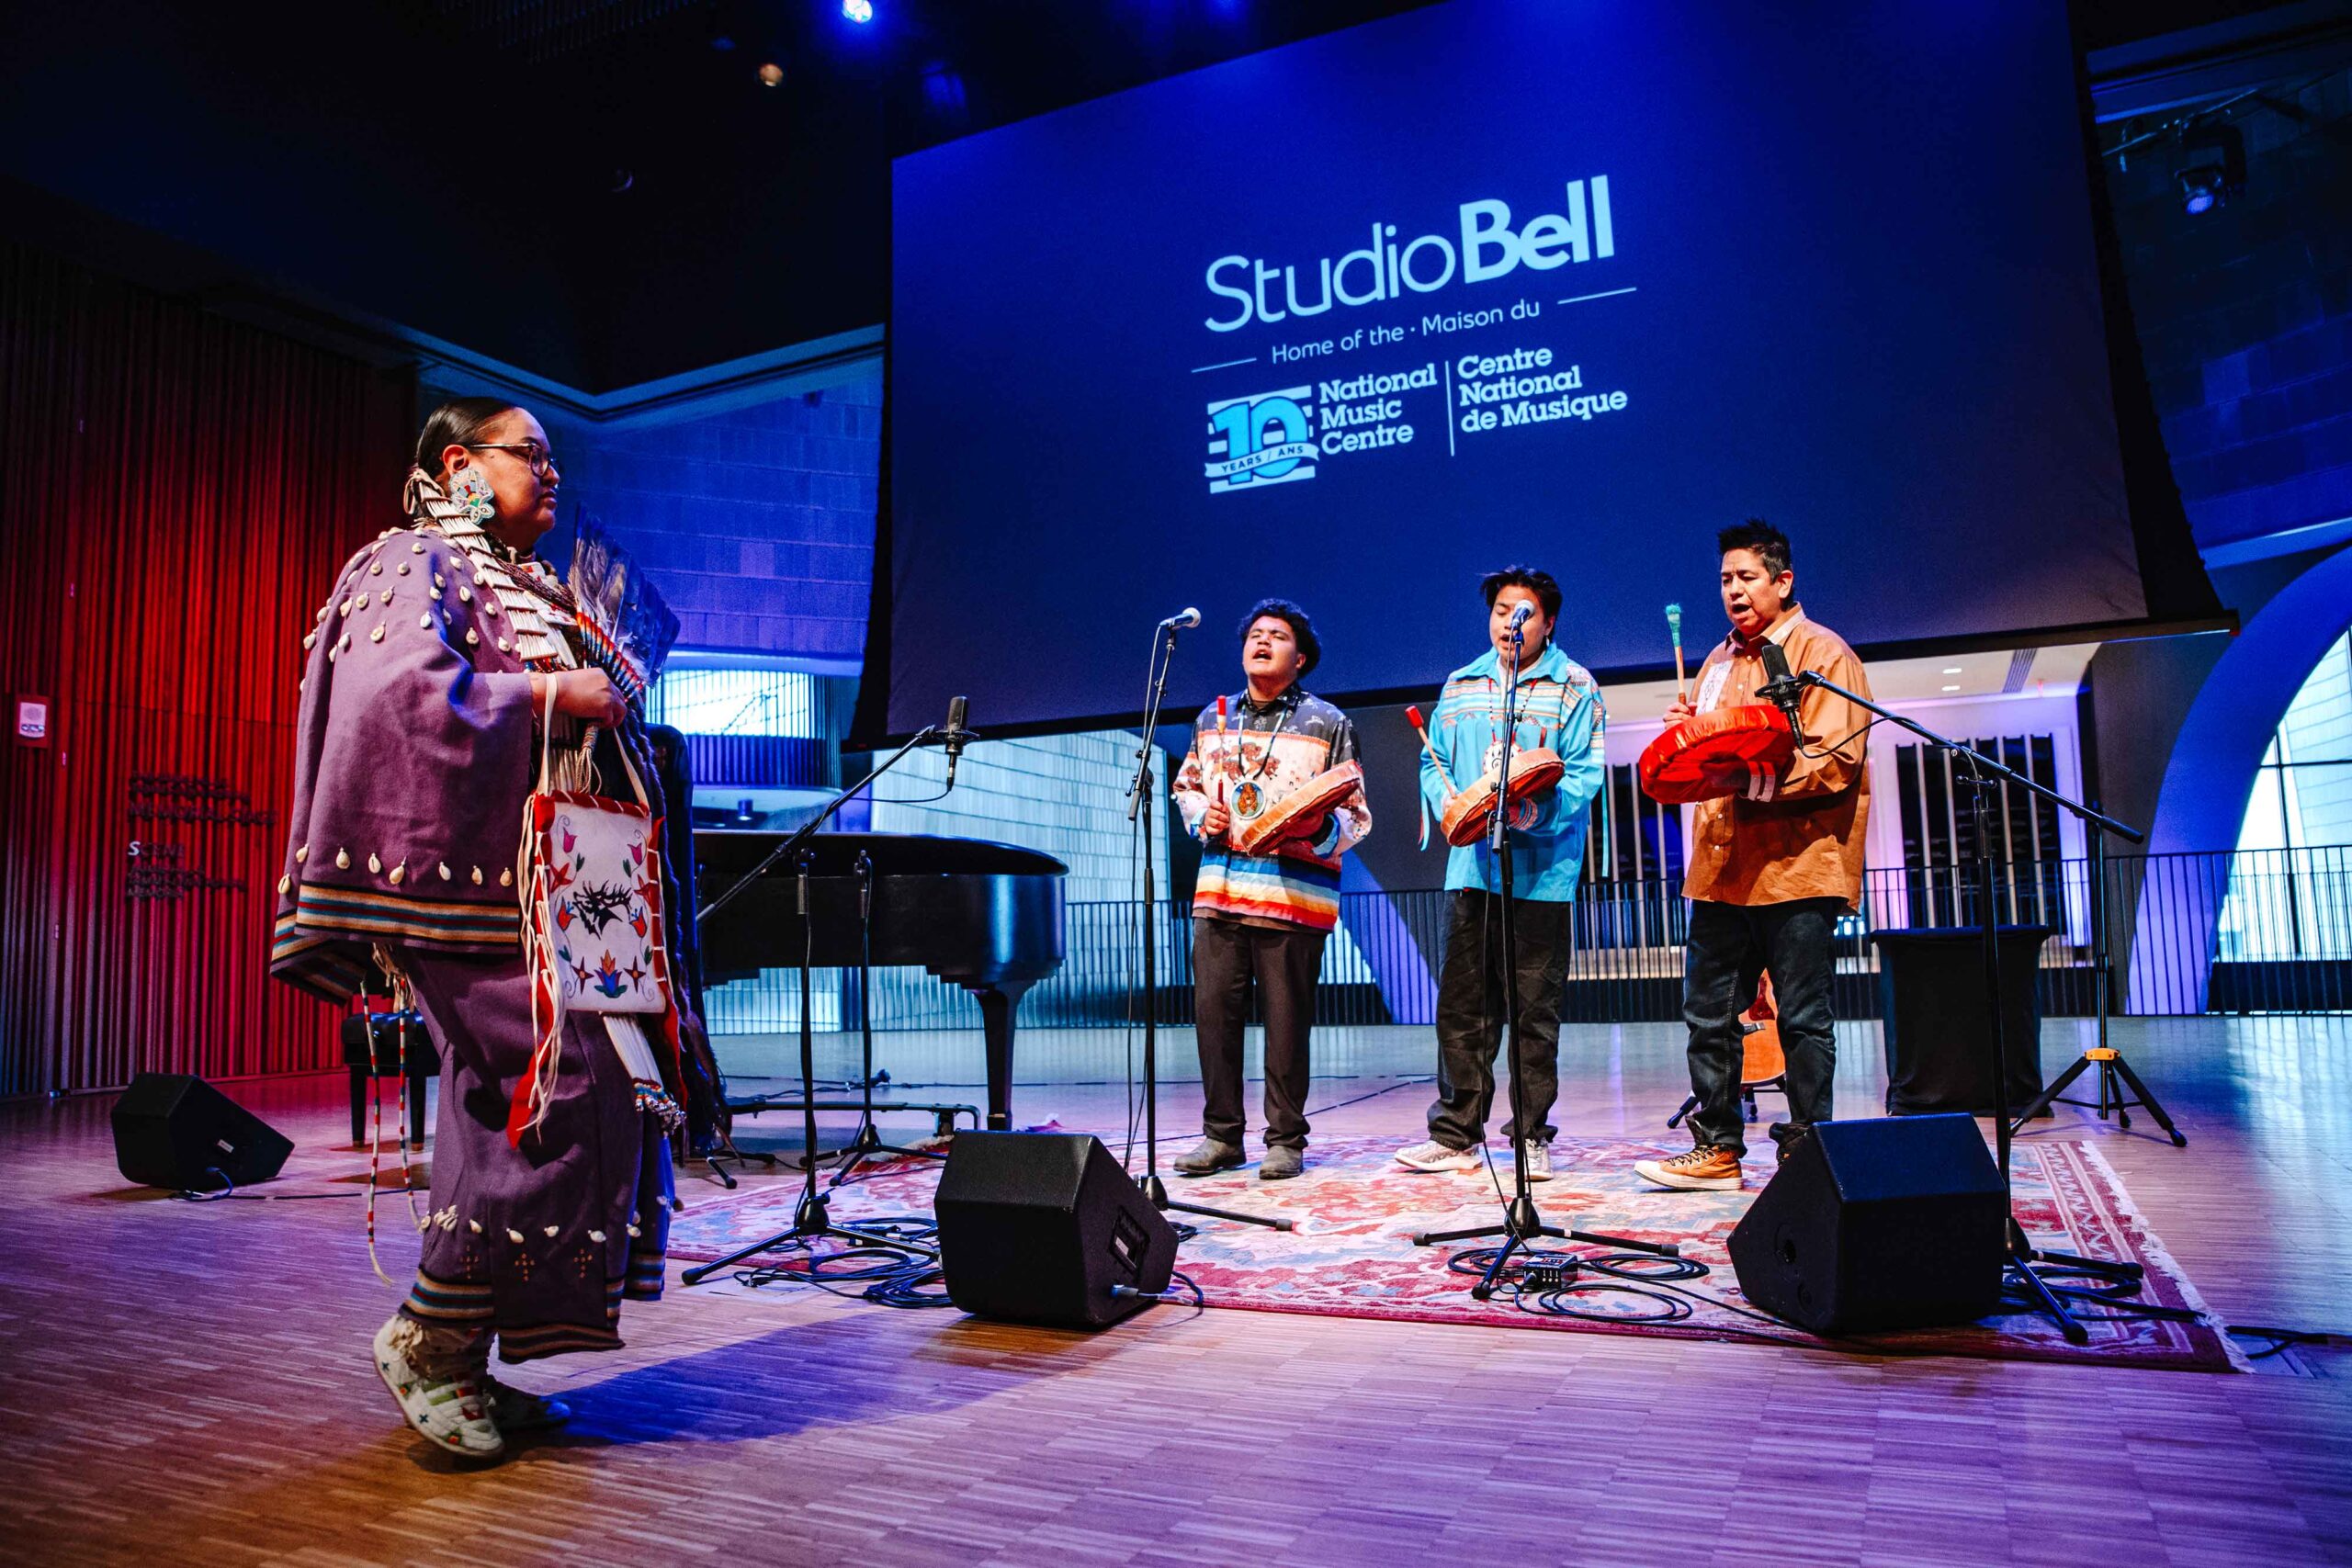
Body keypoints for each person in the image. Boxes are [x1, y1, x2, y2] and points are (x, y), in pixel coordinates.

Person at [270, 398, 686, 1461]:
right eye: (529, 455)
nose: (552, 476)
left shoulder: (538, 586)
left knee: (540, 1098)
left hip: (564, 888)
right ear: (460, 463)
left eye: (555, 461)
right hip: (469, 883)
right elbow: (398, 698)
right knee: (558, 1085)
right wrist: (553, 695)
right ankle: (430, 1338)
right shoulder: (411, 562)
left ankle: (466, 1354)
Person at [1634, 519, 1872, 1192]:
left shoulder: (1823, 654)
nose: (1732, 590)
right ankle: (1717, 1145)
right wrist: (1690, 743)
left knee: (1802, 1016)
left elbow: (1835, 759)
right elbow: (1709, 762)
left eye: (1746, 576)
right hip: (1720, 871)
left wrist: (1748, 775)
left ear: (1782, 580)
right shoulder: (1714, 663)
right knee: (1706, 1013)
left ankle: (1808, 1150)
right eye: (1724, 580)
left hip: (1796, 867)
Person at [1394, 568, 1604, 1182]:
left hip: (1542, 876)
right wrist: (1451, 806)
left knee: (1533, 1012)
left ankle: (1531, 1133)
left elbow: (1585, 774)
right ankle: (1456, 1131)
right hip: (1471, 873)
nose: (1510, 623)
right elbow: (1433, 764)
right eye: (1501, 610)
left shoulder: (1574, 686)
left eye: (1525, 613)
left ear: (1549, 622)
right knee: (1463, 1008)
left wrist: (1531, 810)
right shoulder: (1461, 685)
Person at [1169, 600, 1371, 1180]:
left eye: (1276, 636)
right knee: (1214, 1017)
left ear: (1299, 657)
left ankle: (1285, 1140)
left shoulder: (1327, 721)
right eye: (1254, 635)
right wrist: (1197, 814)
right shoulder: (1213, 717)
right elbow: (1187, 787)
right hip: (1220, 892)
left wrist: (1315, 827)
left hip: (1293, 896)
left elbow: (1356, 817)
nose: (1261, 642)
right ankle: (1221, 1137)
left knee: (1285, 1021)